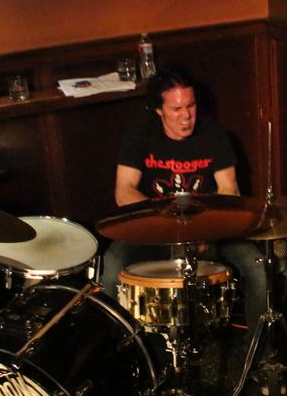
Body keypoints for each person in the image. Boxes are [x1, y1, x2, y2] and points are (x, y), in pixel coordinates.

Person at [100, 66, 265, 329]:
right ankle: (113, 343)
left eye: (191, 105)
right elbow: (124, 190)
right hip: (153, 230)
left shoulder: (214, 135)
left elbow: (229, 190)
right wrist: (162, 224)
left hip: (208, 232)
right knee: (111, 265)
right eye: (176, 109)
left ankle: (261, 347)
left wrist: (206, 230)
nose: (186, 116)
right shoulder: (139, 136)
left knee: (256, 265)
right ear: (159, 110)